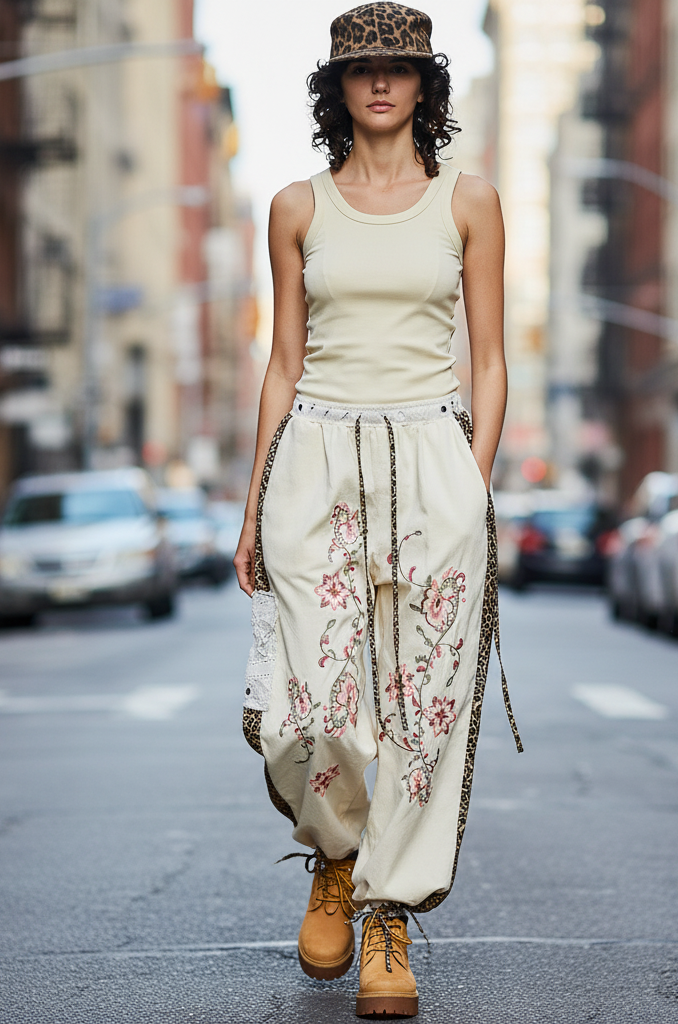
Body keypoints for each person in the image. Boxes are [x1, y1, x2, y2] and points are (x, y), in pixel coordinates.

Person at [233, 4, 521, 1017]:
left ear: (425, 85)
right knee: (316, 701)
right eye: (362, 70)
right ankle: (335, 854)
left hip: (430, 454)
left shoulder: (468, 201)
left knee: (421, 699)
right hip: (315, 456)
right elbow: (280, 364)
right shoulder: (296, 207)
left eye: (399, 68)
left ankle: (387, 916)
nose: (381, 84)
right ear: (338, 88)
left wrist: (471, 483)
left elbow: (488, 360)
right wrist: (252, 503)